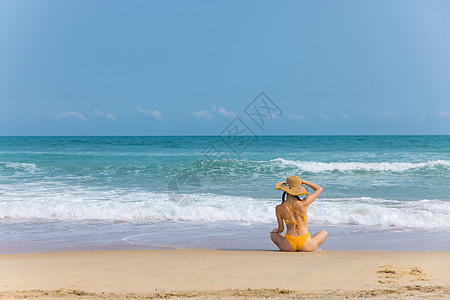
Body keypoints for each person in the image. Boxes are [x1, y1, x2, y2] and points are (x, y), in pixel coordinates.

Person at [270, 175, 327, 252]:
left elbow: (281, 229)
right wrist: (304, 181)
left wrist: (275, 231)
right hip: (306, 244)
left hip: (288, 245)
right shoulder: (304, 203)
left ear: (285, 189)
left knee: (273, 234)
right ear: (298, 189)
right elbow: (319, 189)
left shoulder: (279, 208)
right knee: (324, 232)